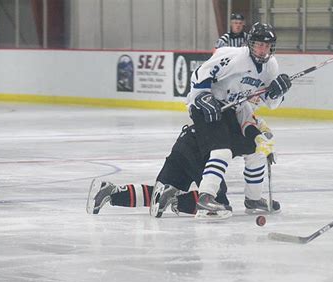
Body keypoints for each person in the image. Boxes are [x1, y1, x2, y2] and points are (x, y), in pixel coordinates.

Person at [86, 104, 280, 217]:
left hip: (183, 144)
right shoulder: (245, 124)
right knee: (219, 204)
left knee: (158, 193)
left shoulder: (235, 113)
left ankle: (111, 192)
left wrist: (262, 144)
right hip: (199, 153)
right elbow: (249, 144)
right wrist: (261, 147)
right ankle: (177, 199)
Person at [186, 22, 292, 219]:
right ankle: (206, 197)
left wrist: (278, 92)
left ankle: (253, 199)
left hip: (233, 109)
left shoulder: (271, 65)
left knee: (257, 151)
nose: (263, 50)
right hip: (208, 107)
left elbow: (271, 102)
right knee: (222, 151)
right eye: (259, 44)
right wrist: (202, 96)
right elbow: (201, 73)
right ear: (250, 44)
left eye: (267, 46)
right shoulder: (233, 57)